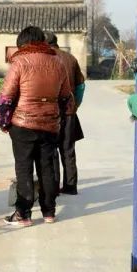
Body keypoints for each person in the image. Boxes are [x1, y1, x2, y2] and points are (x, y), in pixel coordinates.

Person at [0, 25, 72, 226]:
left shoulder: (19, 62)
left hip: (23, 125)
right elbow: (66, 98)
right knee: (47, 168)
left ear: (22, 43)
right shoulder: (58, 62)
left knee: (24, 168)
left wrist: (3, 122)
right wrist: (60, 118)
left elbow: (6, 97)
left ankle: (24, 214)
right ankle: (49, 212)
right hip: (49, 125)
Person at [43, 31, 85, 195]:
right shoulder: (70, 58)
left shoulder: (44, 59)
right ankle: (70, 186)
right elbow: (81, 86)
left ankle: (53, 188)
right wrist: (76, 105)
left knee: (51, 151)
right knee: (68, 150)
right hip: (69, 111)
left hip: (50, 113)